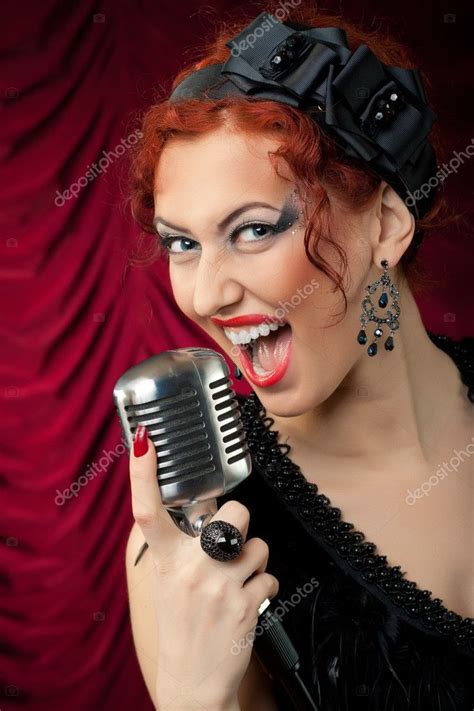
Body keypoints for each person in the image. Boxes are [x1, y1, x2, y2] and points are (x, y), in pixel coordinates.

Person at [124, 5, 474, 710]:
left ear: (385, 221)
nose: (206, 293)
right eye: (182, 244)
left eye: (252, 230)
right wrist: (195, 695)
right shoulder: (198, 551)